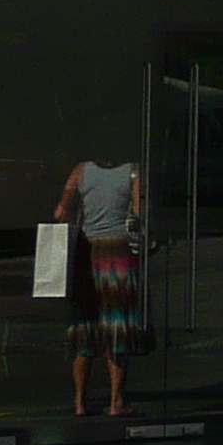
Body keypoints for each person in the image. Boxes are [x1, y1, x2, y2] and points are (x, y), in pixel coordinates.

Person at [53, 158, 141, 417]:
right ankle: (116, 401)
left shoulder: (80, 171)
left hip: (88, 256)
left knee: (85, 328)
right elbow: (138, 212)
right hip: (119, 255)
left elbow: (60, 212)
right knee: (116, 328)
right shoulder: (133, 173)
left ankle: (80, 401)